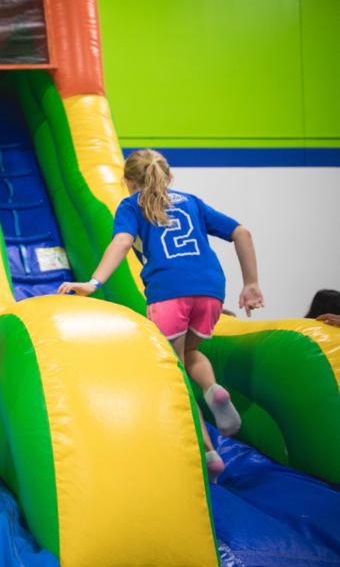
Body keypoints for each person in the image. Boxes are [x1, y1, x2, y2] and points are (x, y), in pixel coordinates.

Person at [57, 149, 264, 480]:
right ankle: (213, 389)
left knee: (176, 372)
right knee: (193, 353)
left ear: (128, 181)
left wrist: (93, 283)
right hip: (211, 288)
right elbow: (242, 233)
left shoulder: (131, 205)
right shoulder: (192, 202)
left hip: (169, 292)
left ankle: (210, 453)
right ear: (169, 177)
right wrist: (251, 284)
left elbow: (123, 241)